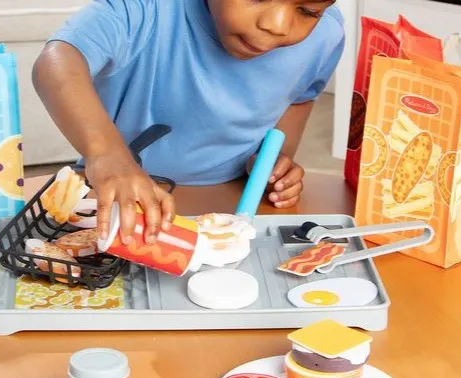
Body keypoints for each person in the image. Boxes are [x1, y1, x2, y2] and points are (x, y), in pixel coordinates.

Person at [33, 0, 344, 244]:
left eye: (308, 11)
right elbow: (57, 60)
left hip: (238, 202)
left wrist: (272, 163)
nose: (277, 25)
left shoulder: (326, 35)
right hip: (120, 200)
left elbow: (300, 97)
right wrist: (107, 154)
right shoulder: (143, 9)